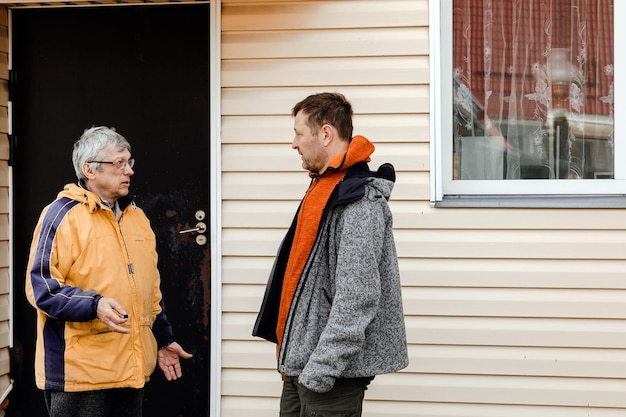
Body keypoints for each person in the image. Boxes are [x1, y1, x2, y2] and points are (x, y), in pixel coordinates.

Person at [253, 92, 409, 416]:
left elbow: (358, 298)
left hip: (328, 377)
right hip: (300, 367)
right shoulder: (322, 187)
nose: (293, 143)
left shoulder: (359, 201)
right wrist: (293, 357)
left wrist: (319, 372)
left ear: (325, 134)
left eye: (298, 133)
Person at [25, 126, 193, 417]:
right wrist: (94, 305)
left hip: (131, 369)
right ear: (89, 170)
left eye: (129, 162)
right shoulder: (61, 215)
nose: (128, 171)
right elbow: (42, 288)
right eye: (118, 163)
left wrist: (163, 339)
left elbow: (150, 290)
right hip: (82, 374)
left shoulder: (137, 218)